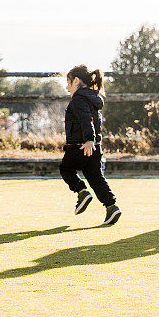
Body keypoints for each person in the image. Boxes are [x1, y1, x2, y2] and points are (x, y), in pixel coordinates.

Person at [60, 65, 121, 225]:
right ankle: (111, 207)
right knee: (95, 177)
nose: (67, 88)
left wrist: (88, 139)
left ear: (77, 81)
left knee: (66, 169)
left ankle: (81, 192)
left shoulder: (79, 99)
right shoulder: (93, 99)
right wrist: (93, 141)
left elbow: (86, 120)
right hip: (94, 147)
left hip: (81, 145)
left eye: (68, 83)